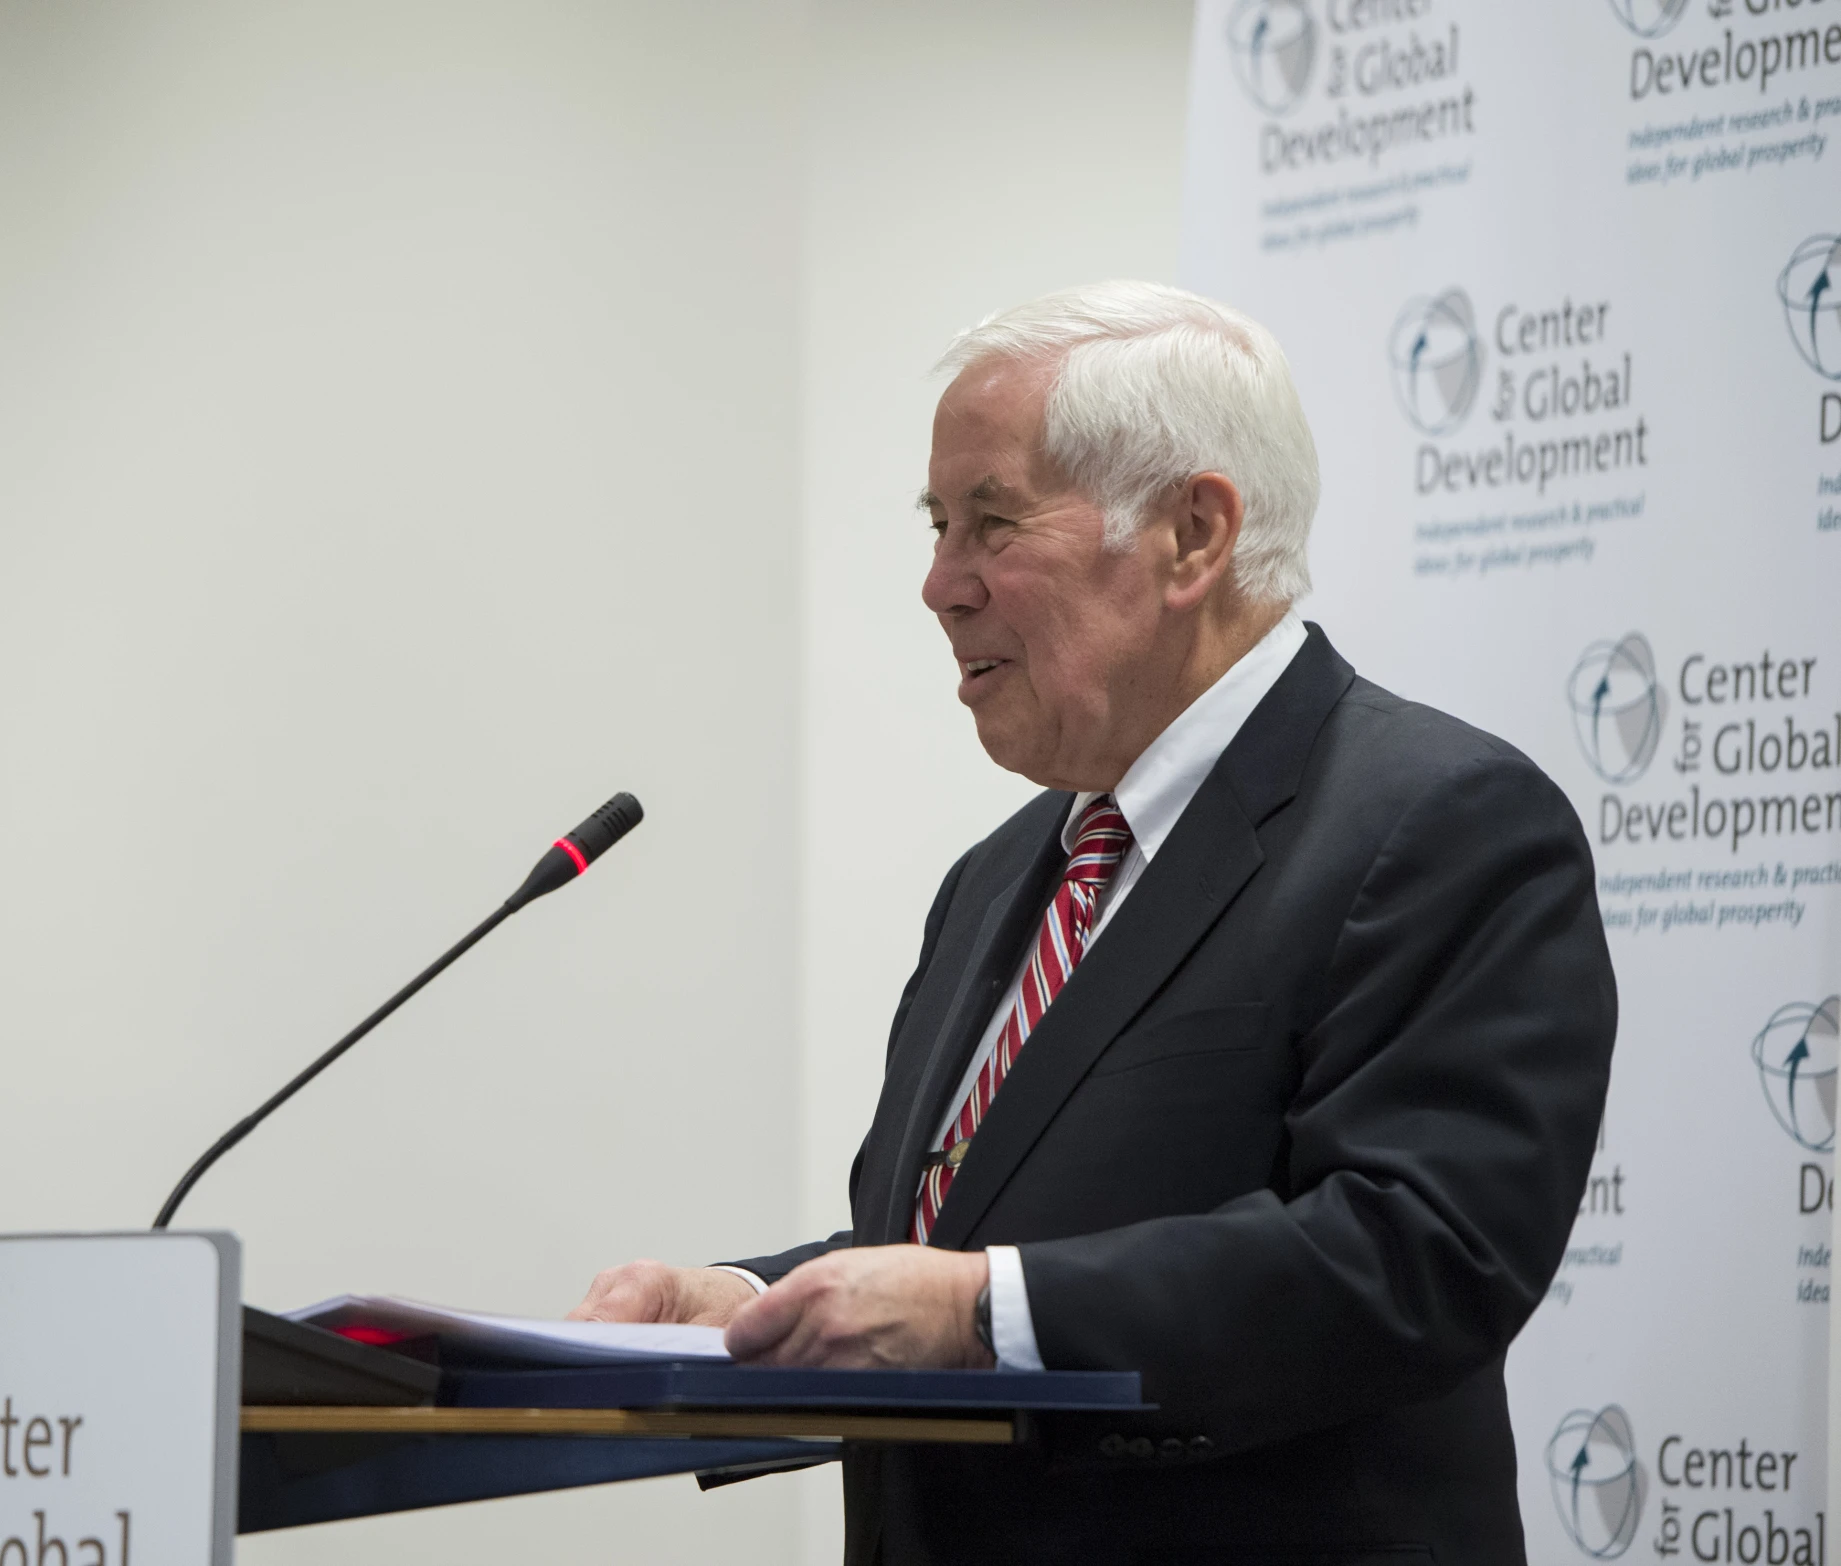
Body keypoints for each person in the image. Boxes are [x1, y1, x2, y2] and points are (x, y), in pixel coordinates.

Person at [570, 281, 1617, 1564]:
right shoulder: (1004, 873)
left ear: (1192, 531)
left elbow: (1418, 1256)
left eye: (989, 524)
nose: (938, 587)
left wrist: (977, 1313)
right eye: (936, 525)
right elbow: (965, 1249)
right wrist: (740, 1309)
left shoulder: (1441, 823)